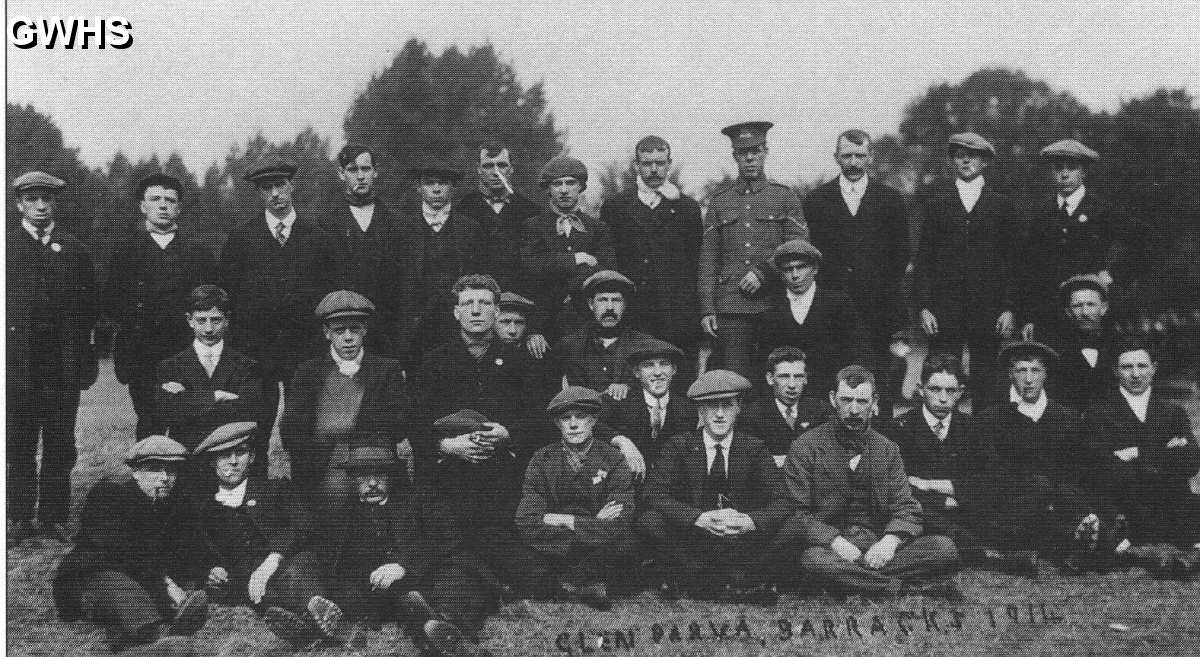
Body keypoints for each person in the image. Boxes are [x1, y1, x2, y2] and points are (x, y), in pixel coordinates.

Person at [778, 365, 960, 595]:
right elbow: (796, 512)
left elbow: (907, 507)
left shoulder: (887, 449)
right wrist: (836, 542)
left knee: (944, 549)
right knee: (812, 560)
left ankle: (850, 581)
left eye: (862, 402)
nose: (854, 410)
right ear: (833, 399)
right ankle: (904, 589)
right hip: (829, 547)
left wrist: (889, 543)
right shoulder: (806, 446)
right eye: (846, 400)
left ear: (874, 402)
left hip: (876, 544)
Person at [312, 439, 496, 657]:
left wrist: (404, 565)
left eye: (380, 475)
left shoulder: (420, 498)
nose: (372, 483)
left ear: (391, 477)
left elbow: (449, 536)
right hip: (384, 590)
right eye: (363, 476)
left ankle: (447, 628)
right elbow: (337, 561)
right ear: (352, 479)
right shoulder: (343, 513)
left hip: (428, 574)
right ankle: (338, 629)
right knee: (349, 591)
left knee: (456, 579)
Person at [218, 156, 342, 466]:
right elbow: (228, 297)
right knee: (253, 429)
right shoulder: (241, 238)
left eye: (280, 185)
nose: (275, 194)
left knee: (304, 429)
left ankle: (306, 496)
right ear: (259, 194)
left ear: (292, 186)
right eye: (266, 188)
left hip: (306, 351)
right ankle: (255, 499)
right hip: (256, 354)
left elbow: (332, 296)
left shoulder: (319, 237)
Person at [639, 369, 789, 604]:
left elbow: (782, 500)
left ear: (739, 407)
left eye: (727, 405)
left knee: (794, 526)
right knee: (649, 521)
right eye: (711, 406)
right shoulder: (679, 446)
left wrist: (750, 521)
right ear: (700, 410)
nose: (719, 415)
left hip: (739, 539)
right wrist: (698, 518)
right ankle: (706, 577)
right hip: (695, 540)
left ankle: (738, 579)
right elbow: (654, 495)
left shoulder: (754, 448)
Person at [191, 422, 343, 649]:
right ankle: (313, 620)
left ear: (252, 457)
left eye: (240, 453)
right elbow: (199, 552)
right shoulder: (205, 509)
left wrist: (274, 558)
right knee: (259, 592)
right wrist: (213, 570)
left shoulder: (276, 489)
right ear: (212, 462)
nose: (233, 461)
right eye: (224, 455)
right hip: (248, 579)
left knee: (297, 570)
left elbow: (305, 524)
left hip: (291, 561)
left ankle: (313, 609)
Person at [53, 436, 208, 656]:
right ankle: (156, 640)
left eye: (171, 471)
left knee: (148, 595)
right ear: (135, 471)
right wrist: (164, 582)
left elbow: (188, 549)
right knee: (118, 584)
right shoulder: (110, 494)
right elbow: (117, 554)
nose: (165, 478)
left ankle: (159, 640)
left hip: (141, 581)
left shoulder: (172, 503)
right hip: (90, 580)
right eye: (155, 469)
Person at [7, 171, 98, 544]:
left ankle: (53, 517)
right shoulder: (6, 247)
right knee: (20, 443)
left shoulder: (73, 249)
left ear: (55, 202)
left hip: (62, 367)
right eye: (33, 199)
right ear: (19, 204)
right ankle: (17, 517)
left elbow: (89, 307)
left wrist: (82, 358)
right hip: (18, 367)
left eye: (47, 198)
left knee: (61, 444)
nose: (41, 206)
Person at [885, 354, 1036, 575]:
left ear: (960, 392)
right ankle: (988, 558)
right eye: (935, 389)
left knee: (1020, 492)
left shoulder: (972, 427)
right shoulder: (899, 428)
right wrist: (943, 499)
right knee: (916, 510)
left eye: (950, 391)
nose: (943, 398)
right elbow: (897, 484)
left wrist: (936, 485)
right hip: (928, 510)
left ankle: (989, 545)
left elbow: (993, 476)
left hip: (967, 505)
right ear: (920, 389)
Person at [972, 341, 1109, 574]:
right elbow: (991, 471)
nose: (1028, 379)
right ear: (1009, 374)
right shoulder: (991, 418)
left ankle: (1077, 538)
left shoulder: (1067, 417)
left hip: (1061, 498)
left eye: (1035, 371)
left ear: (1046, 374)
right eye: (1020, 370)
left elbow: (1078, 467)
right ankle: (1071, 542)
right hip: (1016, 502)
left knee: (1083, 500)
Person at [803, 129, 911, 412]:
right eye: (847, 156)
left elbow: (900, 254)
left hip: (878, 307)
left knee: (879, 380)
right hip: (831, 306)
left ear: (870, 157)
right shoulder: (816, 201)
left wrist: (882, 291)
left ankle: (881, 447)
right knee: (830, 376)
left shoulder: (890, 199)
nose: (853, 162)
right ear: (836, 157)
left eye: (860, 156)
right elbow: (809, 253)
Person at [914, 133, 1023, 407]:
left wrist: (1009, 307)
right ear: (952, 160)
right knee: (942, 375)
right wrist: (924, 306)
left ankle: (987, 441)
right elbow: (924, 260)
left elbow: (1011, 261)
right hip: (944, 307)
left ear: (985, 161)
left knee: (988, 378)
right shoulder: (936, 205)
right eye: (959, 154)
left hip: (989, 307)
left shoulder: (1003, 206)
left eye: (972, 154)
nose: (965, 159)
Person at [105, 173, 215, 439]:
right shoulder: (125, 251)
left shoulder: (198, 253)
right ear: (142, 206)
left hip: (187, 352)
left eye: (170, 200)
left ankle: (191, 481)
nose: (163, 205)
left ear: (179, 208)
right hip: (142, 356)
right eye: (155, 199)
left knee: (189, 421)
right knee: (149, 421)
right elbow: (112, 303)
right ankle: (149, 479)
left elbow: (212, 303)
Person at [698, 121, 808, 378]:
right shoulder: (720, 201)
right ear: (734, 156)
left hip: (776, 302)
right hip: (732, 307)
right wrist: (707, 308)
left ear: (765, 152)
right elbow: (708, 259)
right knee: (734, 378)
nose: (749, 158)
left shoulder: (784, 197)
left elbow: (799, 247)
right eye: (743, 153)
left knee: (779, 374)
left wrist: (764, 273)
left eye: (755, 151)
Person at [280, 290, 409, 506]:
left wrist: (334, 424)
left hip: (376, 462)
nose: (348, 337)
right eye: (339, 330)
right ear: (326, 332)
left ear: (365, 330)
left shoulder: (386, 369)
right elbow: (292, 431)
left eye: (355, 329)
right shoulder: (308, 372)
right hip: (323, 467)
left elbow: (399, 424)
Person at [516, 387, 637, 610]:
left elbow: (620, 519)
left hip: (584, 544)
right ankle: (584, 581)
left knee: (627, 540)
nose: (573, 424)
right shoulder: (541, 460)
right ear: (557, 424)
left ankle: (569, 582)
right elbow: (527, 518)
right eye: (565, 418)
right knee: (521, 546)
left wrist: (561, 519)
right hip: (568, 542)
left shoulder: (614, 459)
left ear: (593, 421)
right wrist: (592, 522)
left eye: (580, 417)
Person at [1085, 339, 1200, 571]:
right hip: (1129, 506)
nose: (1136, 374)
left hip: (1172, 501)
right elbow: (1104, 466)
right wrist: (1165, 454)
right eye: (1127, 367)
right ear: (1116, 371)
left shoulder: (1172, 411)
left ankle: (1172, 554)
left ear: (1154, 368)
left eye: (1142, 366)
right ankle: (1151, 554)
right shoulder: (1100, 412)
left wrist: (1138, 452)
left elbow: (1191, 461)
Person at [413, 274, 546, 466]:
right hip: (448, 475)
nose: (476, 311)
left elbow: (538, 416)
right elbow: (417, 420)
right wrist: (446, 445)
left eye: (484, 303)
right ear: (457, 312)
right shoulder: (434, 362)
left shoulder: (521, 361)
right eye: (468, 304)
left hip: (503, 473)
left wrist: (508, 435)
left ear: (497, 311)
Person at [601, 136, 703, 360]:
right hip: (633, 312)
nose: (654, 170)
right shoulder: (616, 206)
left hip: (677, 314)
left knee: (678, 377)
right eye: (647, 164)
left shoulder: (687, 208)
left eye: (660, 163)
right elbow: (609, 260)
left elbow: (697, 262)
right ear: (637, 166)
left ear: (669, 164)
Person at [1022, 139, 1136, 338]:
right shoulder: (1041, 213)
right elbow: (1029, 268)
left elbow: (1143, 241)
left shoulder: (1102, 209)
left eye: (1072, 168)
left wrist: (1112, 273)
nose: (1064, 174)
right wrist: (1029, 316)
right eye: (1058, 168)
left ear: (1084, 172)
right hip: (1051, 312)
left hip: (1092, 310)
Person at [395, 163, 485, 363]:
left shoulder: (470, 228)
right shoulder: (400, 229)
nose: (436, 189)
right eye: (429, 183)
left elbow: (480, 280)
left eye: (442, 183)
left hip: (457, 323)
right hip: (414, 327)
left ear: (452, 187)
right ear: (419, 187)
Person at [155, 285, 263, 452]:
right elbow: (169, 412)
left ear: (227, 319)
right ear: (189, 320)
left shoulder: (247, 366)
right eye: (201, 320)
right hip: (188, 460)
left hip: (230, 458)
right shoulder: (170, 366)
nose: (208, 329)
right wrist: (217, 396)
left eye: (216, 320)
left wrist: (189, 401)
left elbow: (247, 410)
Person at [755, 239, 869, 396]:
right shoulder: (772, 309)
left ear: (815, 269)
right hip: (787, 394)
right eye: (788, 269)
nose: (795, 275)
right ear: (781, 275)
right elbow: (764, 359)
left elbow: (855, 350)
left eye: (801, 267)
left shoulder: (838, 303)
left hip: (828, 392)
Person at [324, 144, 406, 358]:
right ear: (341, 174)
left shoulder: (396, 223)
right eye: (352, 170)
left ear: (375, 172)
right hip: (345, 332)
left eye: (365, 169)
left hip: (388, 332)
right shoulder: (325, 224)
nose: (360, 176)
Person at [520, 155, 614, 338]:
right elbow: (530, 266)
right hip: (543, 324)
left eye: (570, 183)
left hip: (587, 322)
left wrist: (571, 285)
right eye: (557, 184)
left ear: (581, 187)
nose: (564, 190)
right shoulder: (533, 226)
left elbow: (606, 271)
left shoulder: (598, 228)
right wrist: (576, 259)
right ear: (548, 189)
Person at [457, 144, 544, 303]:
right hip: (476, 299)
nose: (495, 172)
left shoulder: (531, 211)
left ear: (511, 169)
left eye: (502, 165)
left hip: (522, 298)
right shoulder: (461, 210)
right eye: (488, 166)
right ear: (478, 170)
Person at [599, 338, 695, 471]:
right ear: (636, 372)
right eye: (649, 365)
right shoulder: (619, 402)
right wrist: (622, 441)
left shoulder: (686, 409)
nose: (657, 372)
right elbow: (594, 424)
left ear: (674, 370)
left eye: (664, 364)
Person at [555, 270, 653, 399]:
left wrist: (630, 387)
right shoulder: (570, 346)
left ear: (625, 305)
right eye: (602, 300)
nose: (610, 307)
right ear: (591, 304)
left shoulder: (644, 345)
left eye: (616, 300)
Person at [1043, 275, 1119, 410]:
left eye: (1090, 304)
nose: (1084, 312)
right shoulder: (1054, 350)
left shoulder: (1120, 345)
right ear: (1068, 312)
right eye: (1077, 306)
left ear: (1104, 308)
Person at [741, 347, 829, 460]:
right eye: (784, 376)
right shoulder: (752, 415)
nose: (792, 385)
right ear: (770, 378)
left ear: (805, 379)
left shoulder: (821, 411)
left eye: (798, 377)